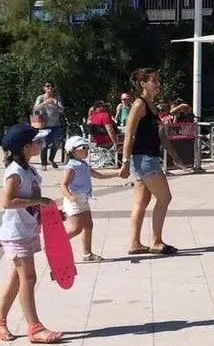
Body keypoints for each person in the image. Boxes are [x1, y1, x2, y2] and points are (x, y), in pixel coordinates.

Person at [0, 124, 61, 344]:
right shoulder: (15, 172)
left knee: (17, 279)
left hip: (27, 229)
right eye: (37, 141)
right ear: (26, 147)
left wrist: (51, 213)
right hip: (16, 233)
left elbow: (32, 201)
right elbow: (6, 202)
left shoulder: (29, 169)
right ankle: (34, 328)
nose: (41, 144)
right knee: (29, 277)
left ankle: (0, 321)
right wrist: (38, 201)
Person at [117, 70, 176, 256]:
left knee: (142, 200)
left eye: (158, 80)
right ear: (143, 83)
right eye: (154, 81)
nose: (158, 84)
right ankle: (156, 241)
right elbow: (129, 133)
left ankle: (135, 243)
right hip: (143, 159)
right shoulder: (138, 104)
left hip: (147, 156)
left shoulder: (151, 105)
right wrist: (125, 161)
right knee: (165, 197)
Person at [61, 135, 119, 262]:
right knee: (76, 228)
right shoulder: (72, 166)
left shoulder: (83, 164)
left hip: (83, 198)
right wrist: (70, 197)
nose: (87, 150)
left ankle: (88, 254)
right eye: (84, 147)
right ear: (73, 150)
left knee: (88, 225)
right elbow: (63, 185)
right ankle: (56, 243)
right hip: (74, 199)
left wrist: (117, 173)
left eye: (87, 147)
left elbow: (98, 175)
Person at [32, 82, 66, 170]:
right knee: (44, 145)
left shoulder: (57, 97)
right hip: (44, 125)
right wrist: (45, 103)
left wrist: (55, 103)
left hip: (56, 125)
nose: (50, 87)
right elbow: (35, 108)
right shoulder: (41, 97)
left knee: (56, 144)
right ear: (44, 88)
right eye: (47, 86)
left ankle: (51, 159)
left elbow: (62, 110)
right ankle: (44, 164)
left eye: (51, 86)